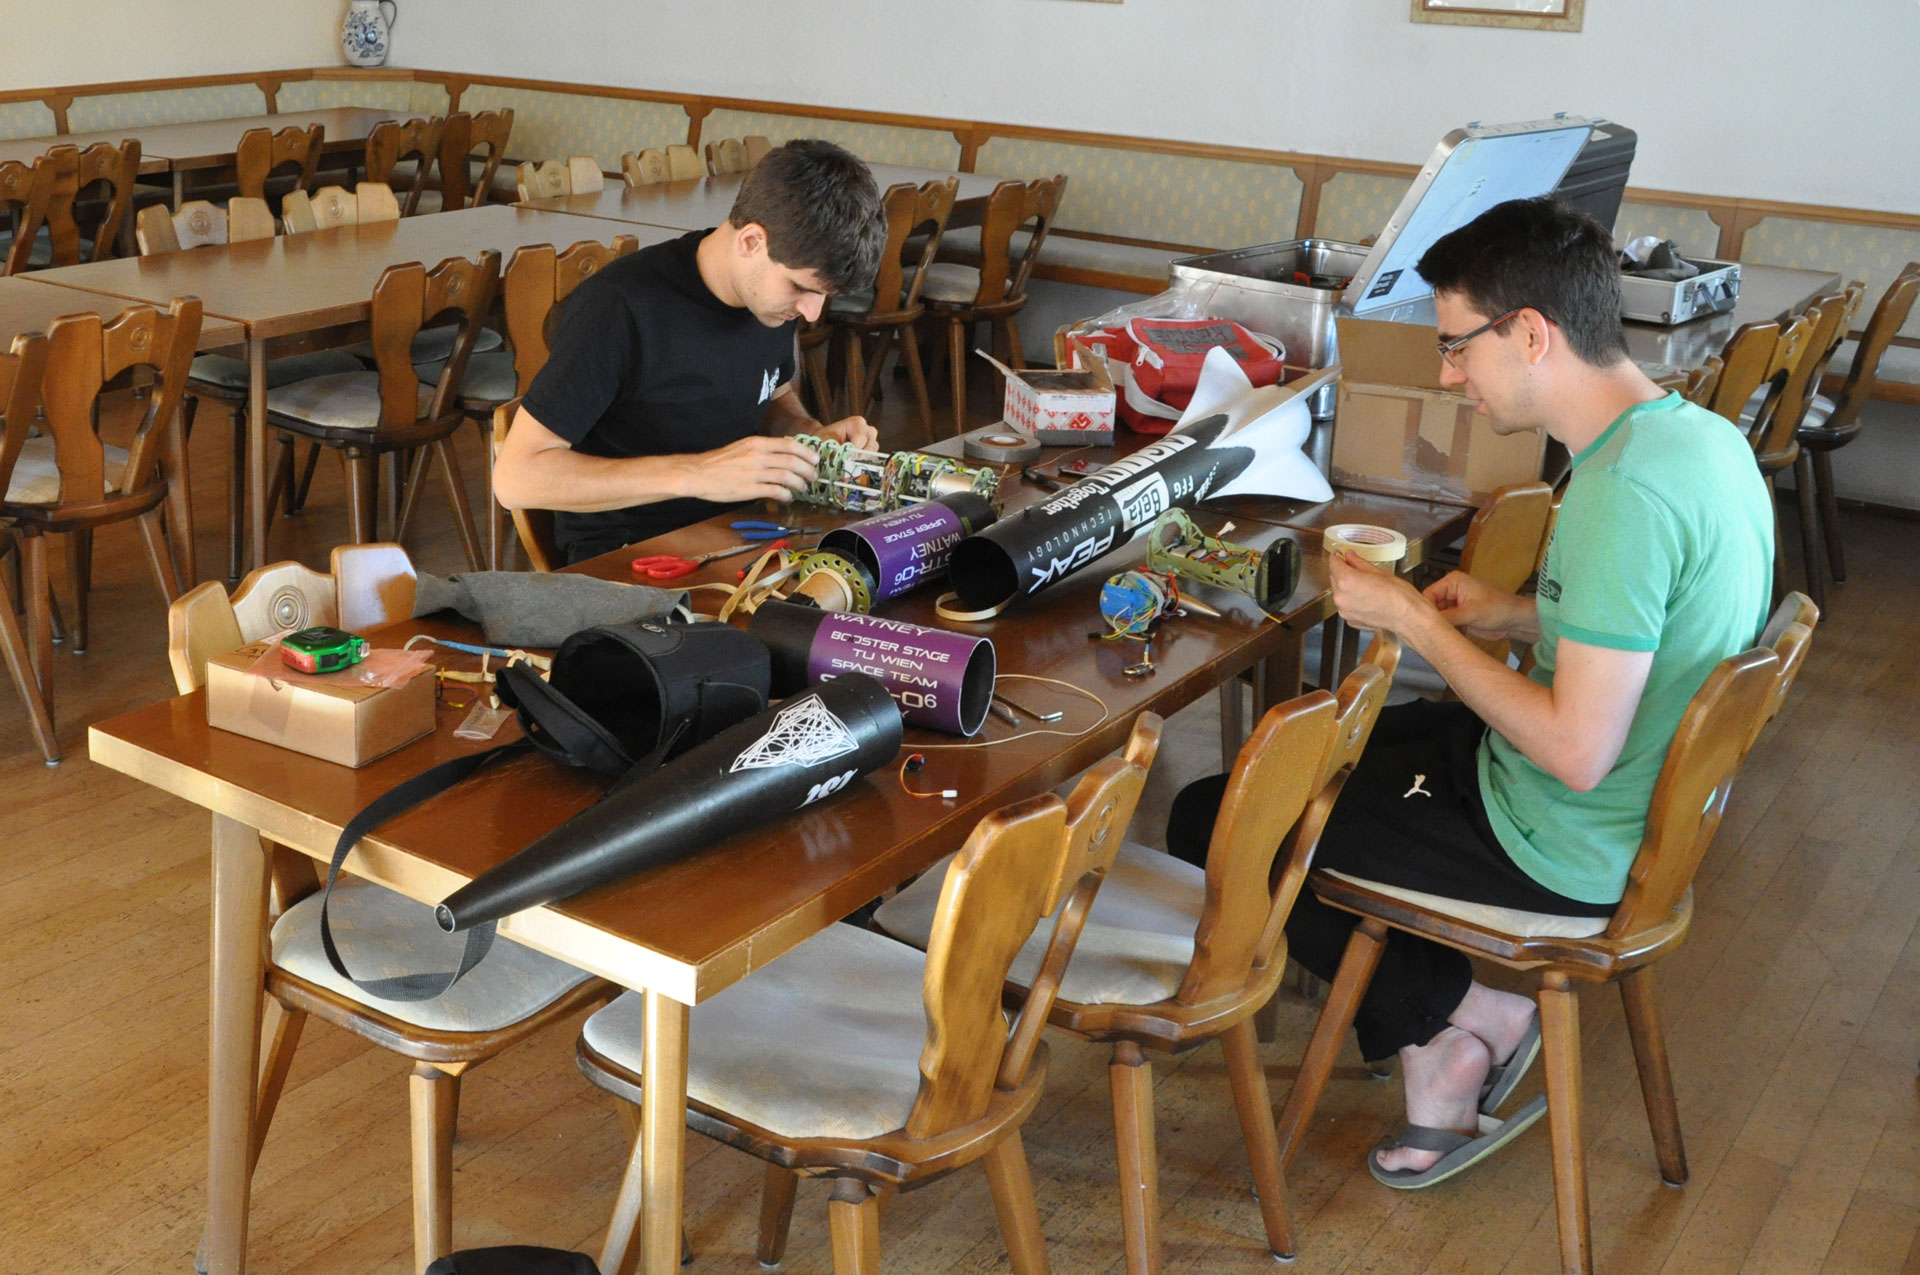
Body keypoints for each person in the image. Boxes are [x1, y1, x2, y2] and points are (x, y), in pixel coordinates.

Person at [1168, 196, 1775, 1186]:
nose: (1450, 375)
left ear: (1530, 333)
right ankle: (1465, 1012)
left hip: (1564, 834)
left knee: (1221, 814)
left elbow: (1576, 751)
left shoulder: (1621, 497)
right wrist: (1517, 615)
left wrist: (1415, 624)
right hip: (1628, 809)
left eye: (1457, 346)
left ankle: (1453, 1028)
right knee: (1312, 756)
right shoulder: (1696, 441)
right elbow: (1665, 634)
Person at [492, 139, 888, 565]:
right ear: (751, 241)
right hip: (630, 556)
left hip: (738, 531)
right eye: (801, 288)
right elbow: (515, 478)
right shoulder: (620, 307)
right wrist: (697, 473)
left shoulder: (768, 299)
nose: (812, 313)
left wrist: (806, 436)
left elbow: (770, 393)